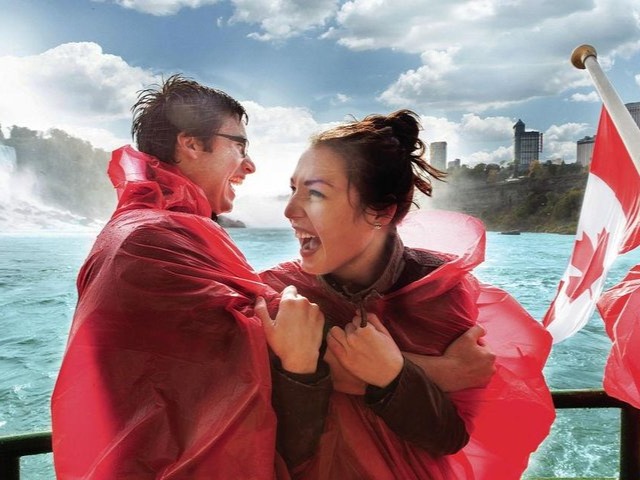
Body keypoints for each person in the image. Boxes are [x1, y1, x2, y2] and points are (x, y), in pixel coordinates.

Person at [51, 76, 492, 479]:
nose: (250, 166)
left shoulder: (156, 229)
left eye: (314, 193)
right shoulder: (154, 237)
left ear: (381, 211)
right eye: (239, 146)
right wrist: (444, 371)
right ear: (191, 144)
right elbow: (281, 349)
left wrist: (339, 366)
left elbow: (283, 351)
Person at [259, 110, 556, 479]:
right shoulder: (277, 292)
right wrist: (435, 371)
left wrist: (392, 375)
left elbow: (449, 436)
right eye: (294, 190)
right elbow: (272, 448)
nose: (289, 210)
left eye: (316, 194)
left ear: (381, 212)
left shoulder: (436, 288)